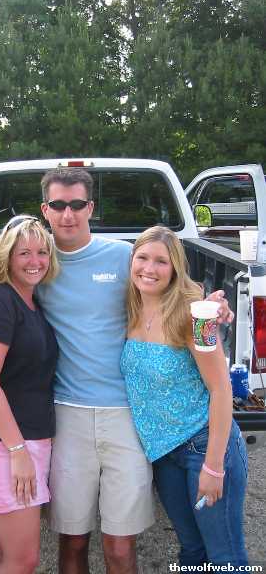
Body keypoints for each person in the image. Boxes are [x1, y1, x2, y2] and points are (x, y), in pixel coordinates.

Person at [0, 167, 233, 574]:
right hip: (66, 415)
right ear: (45, 209)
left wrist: (215, 305)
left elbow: (170, 283)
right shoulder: (35, 257)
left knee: (121, 546)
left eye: (76, 204)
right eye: (57, 205)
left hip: (126, 415)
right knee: (72, 539)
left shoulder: (123, 256)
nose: (67, 214)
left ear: (90, 207)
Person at [120, 226, 248, 569]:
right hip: (164, 454)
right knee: (191, 550)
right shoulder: (129, 308)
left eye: (161, 261)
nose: (149, 268)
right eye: (142, 258)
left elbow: (221, 389)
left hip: (204, 446)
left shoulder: (197, 317)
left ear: (175, 268)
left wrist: (214, 466)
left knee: (225, 556)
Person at [0, 216, 59, 574]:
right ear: (7, 257)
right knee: (23, 558)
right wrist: (17, 451)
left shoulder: (31, 302)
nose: (35, 261)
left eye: (42, 252)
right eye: (24, 253)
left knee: (8, 552)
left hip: (26, 440)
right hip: (1, 445)